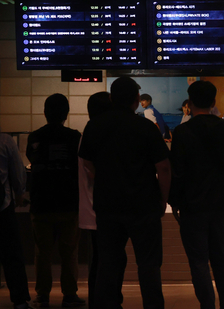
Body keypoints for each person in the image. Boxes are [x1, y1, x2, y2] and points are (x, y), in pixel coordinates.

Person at [79, 77, 171, 309]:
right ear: (136, 102)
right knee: (148, 265)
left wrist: (106, 179)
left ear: (111, 98)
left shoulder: (95, 125)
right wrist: (163, 200)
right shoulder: (145, 127)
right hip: (144, 206)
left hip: (108, 206)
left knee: (108, 264)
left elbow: (87, 163)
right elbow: (164, 167)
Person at [169, 80, 224, 309]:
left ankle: (207, 307)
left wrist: (174, 201)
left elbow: (177, 171)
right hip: (220, 203)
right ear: (213, 102)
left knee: (199, 262)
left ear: (189, 103)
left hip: (192, 205)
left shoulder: (182, 131)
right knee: (220, 259)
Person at [26, 93, 84, 308]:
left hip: (41, 203)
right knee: (69, 251)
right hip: (69, 203)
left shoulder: (35, 137)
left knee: (43, 252)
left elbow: (33, 160)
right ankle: (69, 294)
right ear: (66, 114)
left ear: (45, 112)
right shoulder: (75, 137)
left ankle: (42, 295)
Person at [78, 92, 112, 308]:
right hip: (99, 210)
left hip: (92, 209)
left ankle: (98, 302)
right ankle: (100, 303)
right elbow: (94, 171)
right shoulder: (95, 134)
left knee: (100, 260)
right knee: (103, 262)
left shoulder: (87, 134)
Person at [0, 132, 32, 309]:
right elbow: (18, 171)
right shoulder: (5, 141)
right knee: (12, 255)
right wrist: (20, 193)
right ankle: (19, 300)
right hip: (3, 207)